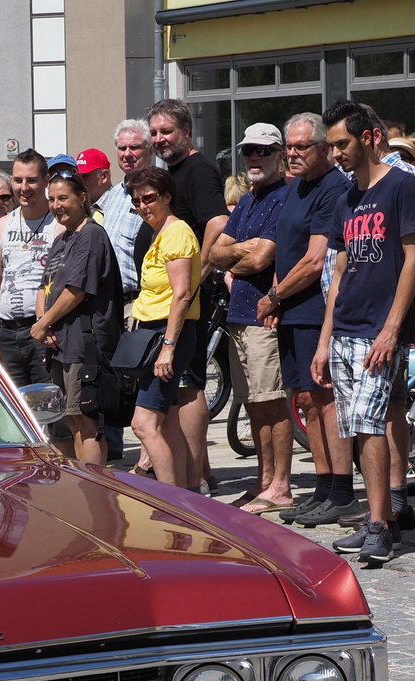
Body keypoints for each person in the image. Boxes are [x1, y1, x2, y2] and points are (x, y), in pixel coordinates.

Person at [312, 98, 415, 567]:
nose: (335, 153)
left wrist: (392, 329)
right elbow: (338, 269)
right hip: (345, 326)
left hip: (379, 329)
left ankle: (381, 526)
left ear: (369, 138)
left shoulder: (401, 185)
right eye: (331, 145)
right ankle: (375, 519)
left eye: (341, 143)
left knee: (370, 422)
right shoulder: (346, 196)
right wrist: (325, 339)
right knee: (356, 425)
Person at [260, 112, 356, 528]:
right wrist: (279, 299)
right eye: (289, 146)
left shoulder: (333, 187)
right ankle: (321, 486)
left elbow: (317, 259)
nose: (293, 153)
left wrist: (274, 295)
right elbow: (287, 247)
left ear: (323, 148)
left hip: (318, 311)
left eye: (302, 146)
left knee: (325, 401)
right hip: (293, 309)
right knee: (305, 403)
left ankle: (341, 490)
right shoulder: (296, 186)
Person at [147, 98, 230, 490]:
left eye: (166, 131)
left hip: (192, 298)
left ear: (186, 132)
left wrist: (197, 273)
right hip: (172, 297)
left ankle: (194, 478)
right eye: (155, 133)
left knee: (189, 384)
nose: (160, 139)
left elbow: (217, 222)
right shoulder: (173, 172)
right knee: (178, 387)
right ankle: (199, 472)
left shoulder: (198, 170)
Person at [209, 123, 292, 513]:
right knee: (253, 404)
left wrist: (238, 253)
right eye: (249, 151)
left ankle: (280, 486)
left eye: (262, 150)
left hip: (264, 314)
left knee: (273, 402)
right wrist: (242, 250)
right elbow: (215, 254)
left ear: (279, 153)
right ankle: (263, 481)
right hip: (239, 314)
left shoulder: (284, 196)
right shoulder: (247, 200)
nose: (254, 158)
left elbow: (260, 258)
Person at [32, 170, 122, 464]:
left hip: (84, 344)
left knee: (86, 420)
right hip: (60, 344)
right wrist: (44, 323)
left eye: (63, 198)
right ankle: (85, 488)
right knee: (71, 419)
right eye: (52, 199)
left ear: (83, 198)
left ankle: (96, 493)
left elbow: (77, 290)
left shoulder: (91, 235)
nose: (56, 205)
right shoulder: (62, 240)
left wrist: (44, 323)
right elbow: (46, 288)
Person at [127, 167, 199, 490]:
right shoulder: (159, 233)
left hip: (166, 335)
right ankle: (184, 498)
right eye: (137, 200)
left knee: (143, 424)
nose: (143, 206)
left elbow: (182, 293)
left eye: (149, 198)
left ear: (167, 197)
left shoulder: (176, 233)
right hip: (154, 334)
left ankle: (171, 503)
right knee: (168, 422)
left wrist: (168, 346)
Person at [0, 149, 63, 391]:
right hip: (7, 334)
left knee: (51, 414)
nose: (24, 187)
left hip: (44, 333)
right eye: (18, 180)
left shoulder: (58, 225)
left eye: (31, 180)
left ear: (46, 181)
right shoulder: (1, 227)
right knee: (16, 415)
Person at [98, 121, 152, 300]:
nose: (127, 154)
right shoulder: (113, 194)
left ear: (150, 151)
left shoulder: (157, 194)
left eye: (134, 147)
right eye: (122, 148)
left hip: (138, 301)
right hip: (108, 302)